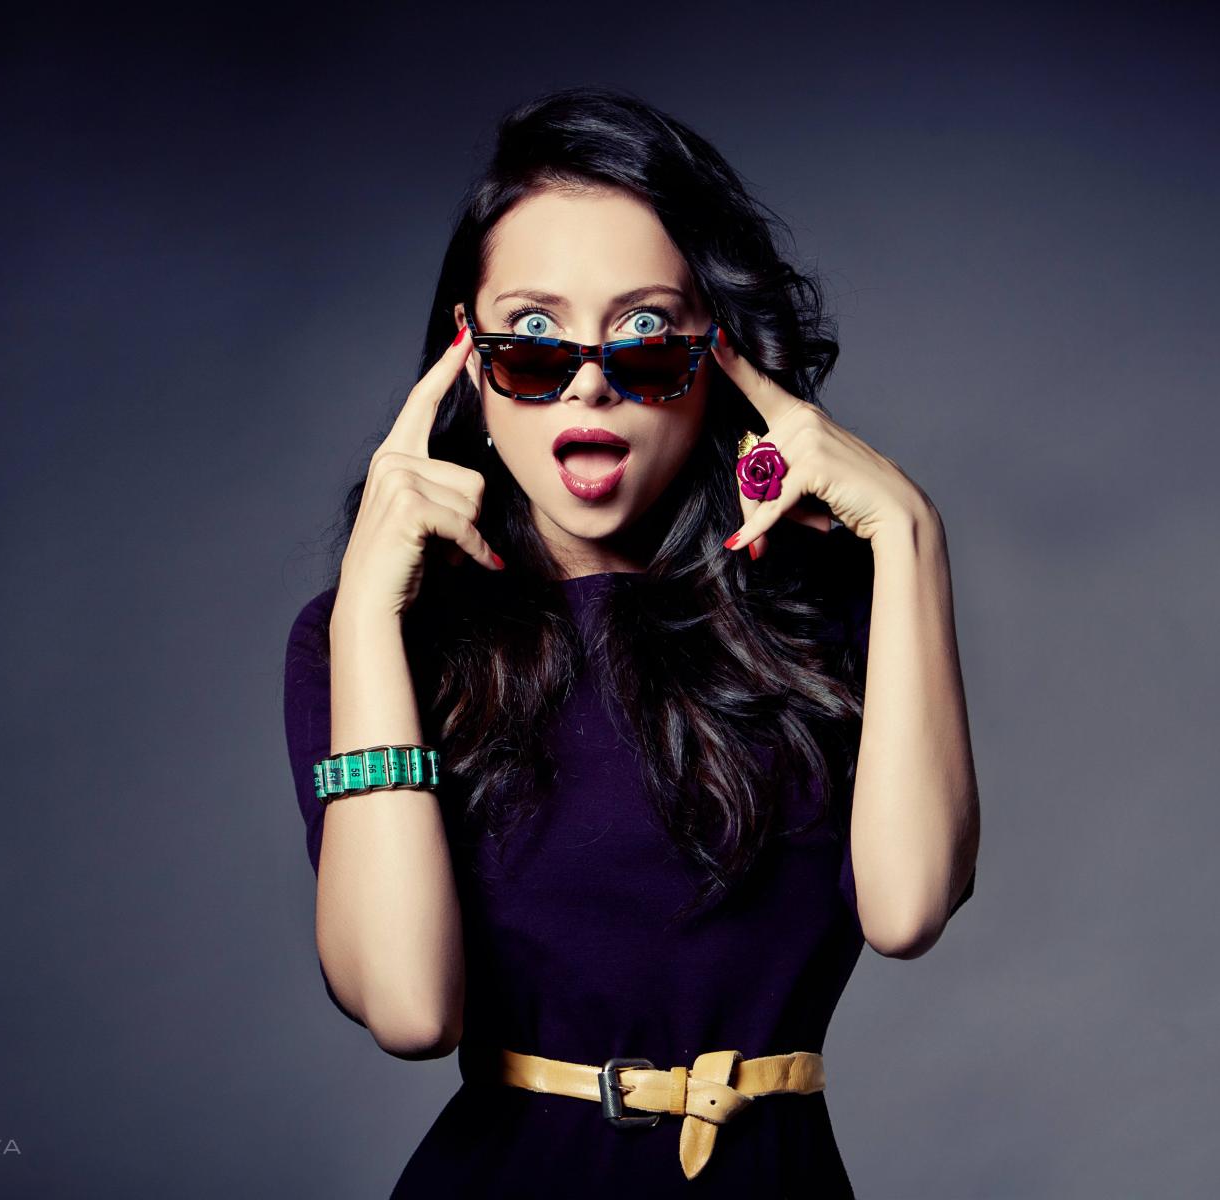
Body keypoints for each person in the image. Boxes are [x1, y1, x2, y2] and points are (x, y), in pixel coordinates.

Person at [281, 85, 980, 1198]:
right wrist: (370, 612)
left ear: (716, 355)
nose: (590, 382)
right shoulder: (370, 642)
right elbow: (409, 1012)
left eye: (646, 336)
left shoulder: (824, 607)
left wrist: (909, 535)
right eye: (532, 340)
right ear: (467, 357)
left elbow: (908, 909)